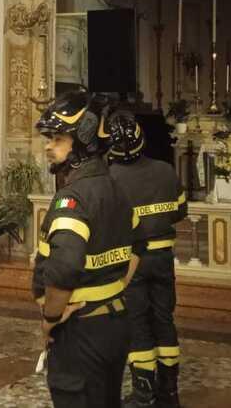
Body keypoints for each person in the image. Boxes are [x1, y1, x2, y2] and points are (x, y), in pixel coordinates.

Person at [32, 89, 145, 408]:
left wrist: (51, 317)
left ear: (82, 139)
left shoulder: (74, 198)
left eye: (57, 138)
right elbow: (138, 246)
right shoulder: (115, 189)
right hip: (115, 322)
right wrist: (113, 288)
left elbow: (65, 268)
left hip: (80, 330)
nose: (48, 146)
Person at [107, 110, 187, 408]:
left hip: (132, 261)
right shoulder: (166, 170)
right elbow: (180, 211)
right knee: (164, 320)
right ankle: (169, 393)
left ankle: (143, 394)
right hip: (163, 258)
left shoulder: (111, 178)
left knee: (138, 322)